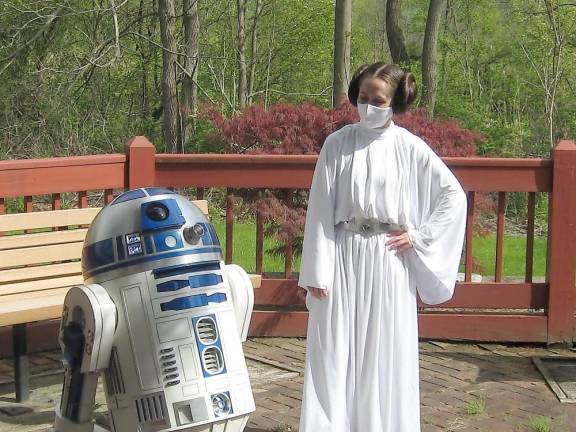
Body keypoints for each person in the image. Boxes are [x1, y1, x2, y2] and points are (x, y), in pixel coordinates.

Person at [297, 62, 468, 432]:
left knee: (384, 351)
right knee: (334, 349)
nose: (369, 106)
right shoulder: (337, 144)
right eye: (363, 98)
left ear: (395, 103)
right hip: (344, 255)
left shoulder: (410, 148)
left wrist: (419, 236)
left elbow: (453, 195)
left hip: (389, 259)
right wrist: (316, 271)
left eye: (378, 100)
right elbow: (322, 209)